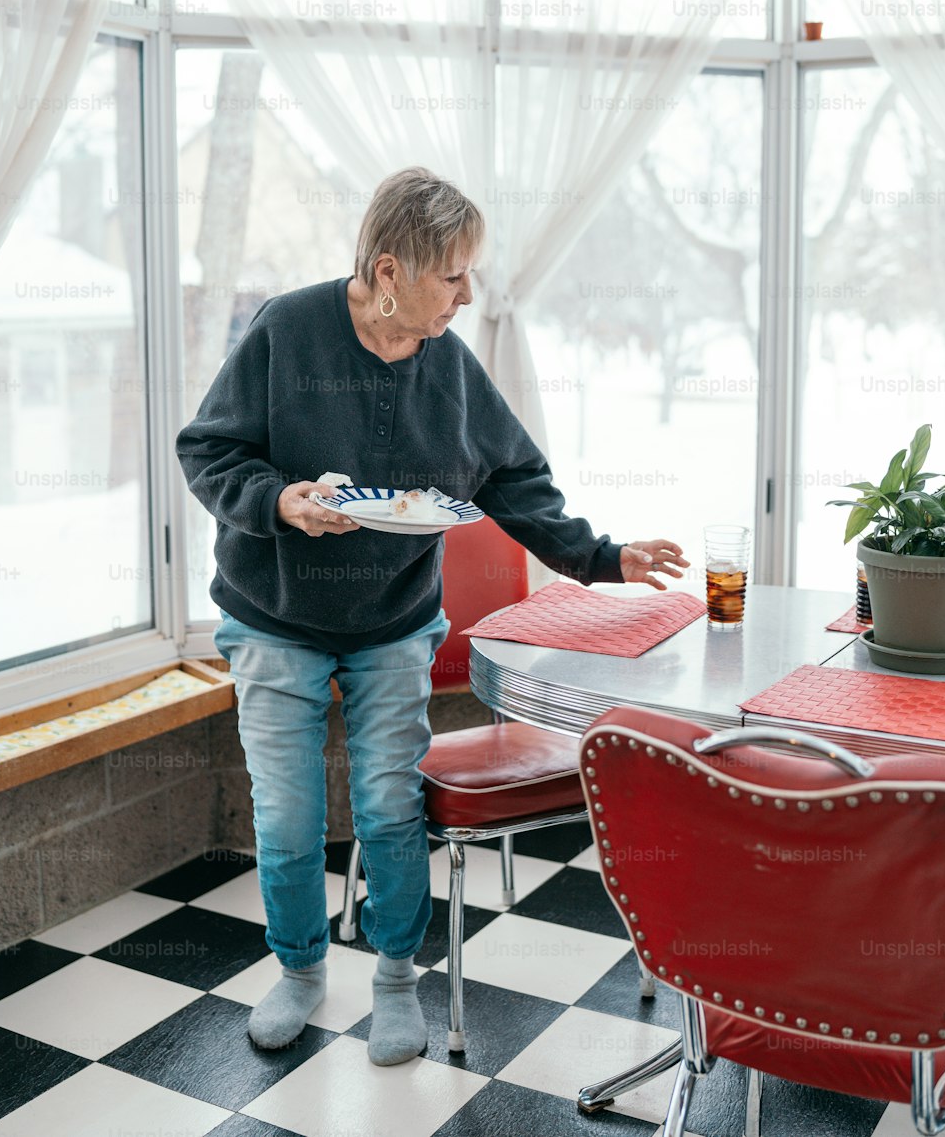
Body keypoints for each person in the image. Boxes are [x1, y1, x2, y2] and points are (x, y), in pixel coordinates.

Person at [176, 166, 689, 1065]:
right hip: (273, 615)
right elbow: (208, 449)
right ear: (388, 272)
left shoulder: (448, 367)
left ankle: (396, 978)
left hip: (391, 620)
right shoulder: (285, 331)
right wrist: (281, 501)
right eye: (453, 275)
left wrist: (605, 557)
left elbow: (512, 481)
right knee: (290, 816)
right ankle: (298, 971)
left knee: (387, 807)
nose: (467, 293)